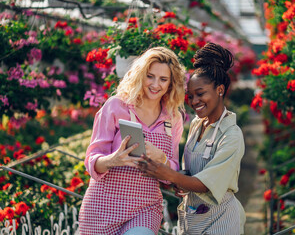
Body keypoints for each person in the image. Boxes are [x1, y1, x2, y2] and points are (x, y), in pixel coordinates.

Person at [138, 42, 246, 235]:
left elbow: (207, 183)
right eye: (190, 96)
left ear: (220, 90)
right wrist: (181, 181)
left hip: (220, 220)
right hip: (193, 217)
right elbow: (190, 173)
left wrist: (168, 174)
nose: (194, 101)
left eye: (200, 94)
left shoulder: (231, 135)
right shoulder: (197, 124)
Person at [78, 47, 185, 235]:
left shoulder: (173, 119)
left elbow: (173, 170)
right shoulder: (116, 106)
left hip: (145, 207)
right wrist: (113, 160)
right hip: (103, 205)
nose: (155, 84)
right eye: (150, 76)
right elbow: (91, 160)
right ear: (141, 75)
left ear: (171, 83)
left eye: (163, 79)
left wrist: (163, 160)